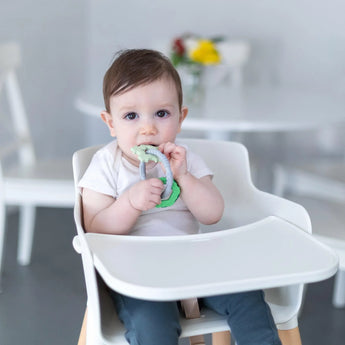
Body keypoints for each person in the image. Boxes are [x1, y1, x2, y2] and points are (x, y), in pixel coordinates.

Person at [79, 49, 282, 345]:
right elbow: (94, 228)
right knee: (152, 326)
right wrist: (130, 203)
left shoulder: (184, 160)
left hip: (193, 264)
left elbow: (212, 213)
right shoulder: (106, 165)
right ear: (110, 123)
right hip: (136, 274)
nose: (147, 127)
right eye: (131, 116)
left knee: (247, 297)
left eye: (161, 114)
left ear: (180, 116)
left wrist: (185, 177)